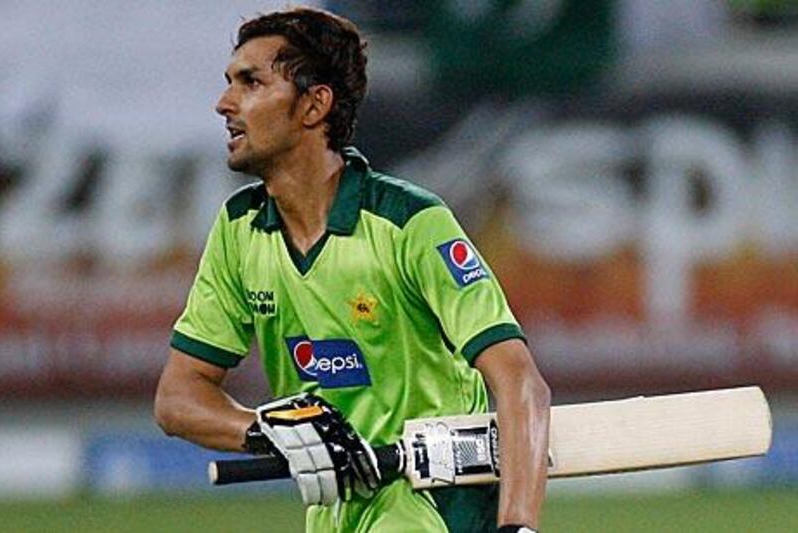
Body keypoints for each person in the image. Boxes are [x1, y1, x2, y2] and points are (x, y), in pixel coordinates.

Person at [154, 6, 550, 532]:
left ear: (314, 104)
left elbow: (520, 380)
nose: (224, 103)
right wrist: (274, 432)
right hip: (334, 513)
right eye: (230, 83)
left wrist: (517, 527)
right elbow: (178, 398)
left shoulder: (408, 222)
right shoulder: (240, 228)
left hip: (435, 507)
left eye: (251, 82)